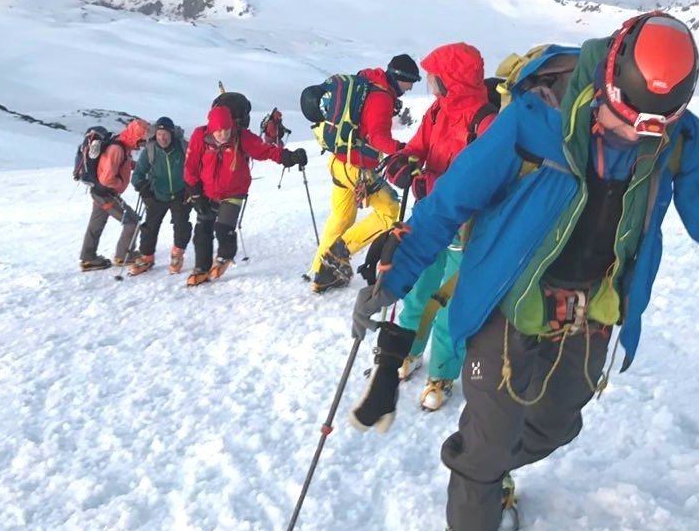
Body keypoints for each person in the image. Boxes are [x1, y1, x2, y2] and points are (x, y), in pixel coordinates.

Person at [349, 13, 699, 531]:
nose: (636, 136)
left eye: (652, 127)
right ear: (607, 79)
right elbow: (447, 205)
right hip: (506, 299)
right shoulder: (532, 122)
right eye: (625, 120)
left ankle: (494, 465)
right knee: (486, 440)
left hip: (596, 309)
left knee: (556, 426)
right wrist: (395, 275)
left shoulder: (679, 139)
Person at [358, 43, 495, 414]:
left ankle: (443, 373)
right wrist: (403, 162)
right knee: (418, 290)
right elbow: (418, 148)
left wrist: (427, 183)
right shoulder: (437, 111)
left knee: (448, 302)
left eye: (435, 77)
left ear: (451, 80)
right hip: (429, 218)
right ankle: (409, 350)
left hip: (465, 227)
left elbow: (479, 182)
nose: (430, 84)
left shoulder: (485, 121)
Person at [309, 53, 420, 294]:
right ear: (399, 77)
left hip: (340, 162)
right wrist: (403, 149)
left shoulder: (370, 83)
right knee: (390, 211)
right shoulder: (381, 97)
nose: (410, 87)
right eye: (409, 81)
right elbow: (376, 138)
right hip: (357, 168)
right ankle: (341, 252)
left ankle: (320, 271)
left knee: (341, 218)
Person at [184, 104, 306, 286]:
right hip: (207, 192)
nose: (223, 135)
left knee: (223, 228)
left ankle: (225, 255)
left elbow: (264, 150)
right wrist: (195, 193)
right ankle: (201, 268)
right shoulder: (200, 136)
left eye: (226, 130)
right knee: (202, 230)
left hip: (234, 191)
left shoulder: (240, 136)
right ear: (211, 128)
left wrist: (288, 157)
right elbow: (191, 166)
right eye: (219, 131)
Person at [79, 118, 150, 271]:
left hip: (99, 192)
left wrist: (136, 167)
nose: (143, 145)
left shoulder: (122, 146)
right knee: (132, 221)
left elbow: (123, 163)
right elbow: (107, 179)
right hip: (106, 193)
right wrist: (120, 183)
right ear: (136, 137)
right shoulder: (117, 149)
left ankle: (88, 258)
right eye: (142, 141)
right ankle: (123, 255)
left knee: (96, 224)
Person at [128, 117, 191, 275]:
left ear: (172, 134)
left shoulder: (183, 147)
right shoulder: (150, 150)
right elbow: (137, 176)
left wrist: (192, 188)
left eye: (165, 134)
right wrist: (144, 190)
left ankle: (177, 255)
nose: (163, 138)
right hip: (157, 195)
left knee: (181, 226)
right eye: (159, 134)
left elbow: (195, 167)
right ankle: (147, 258)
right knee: (150, 228)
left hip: (180, 194)